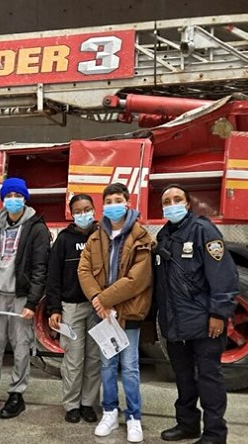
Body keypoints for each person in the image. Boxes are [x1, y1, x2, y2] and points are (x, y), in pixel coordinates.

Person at [154, 184, 239, 444]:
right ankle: (187, 424)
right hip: (175, 324)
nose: (172, 204)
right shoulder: (163, 236)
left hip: (204, 322)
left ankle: (215, 434)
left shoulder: (204, 231)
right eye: (166, 201)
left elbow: (223, 276)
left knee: (209, 379)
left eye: (177, 199)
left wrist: (219, 314)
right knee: (183, 379)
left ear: (188, 204)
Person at [77, 182, 154, 443]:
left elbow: (137, 279)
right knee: (107, 366)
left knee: (130, 367)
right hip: (104, 314)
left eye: (117, 201)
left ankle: (134, 417)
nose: (112, 206)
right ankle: (109, 412)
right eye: (108, 202)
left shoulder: (141, 236)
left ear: (127, 203)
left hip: (128, 312)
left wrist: (105, 299)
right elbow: (84, 271)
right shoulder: (95, 237)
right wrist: (99, 300)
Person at [0, 177, 50, 419]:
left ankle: (17, 394)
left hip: (20, 297)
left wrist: (32, 302)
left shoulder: (36, 227)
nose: (13, 200)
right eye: (9, 196)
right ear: (3, 199)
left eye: (18, 196)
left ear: (25, 198)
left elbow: (40, 268)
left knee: (20, 348)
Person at [46, 194, 101, 424]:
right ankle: (71, 404)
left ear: (94, 209)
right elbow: (53, 276)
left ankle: (88, 403)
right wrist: (54, 308)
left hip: (98, 308)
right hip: (71, 308)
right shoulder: (64, 240)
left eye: (87, 209)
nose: (83, 214)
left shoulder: (102, 236)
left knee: (94, 357)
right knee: (73, 358)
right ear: (71, 213)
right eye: (78, 211)